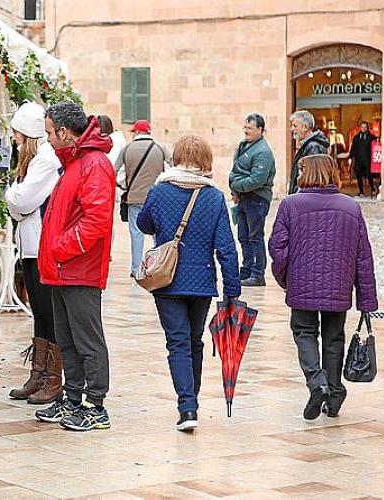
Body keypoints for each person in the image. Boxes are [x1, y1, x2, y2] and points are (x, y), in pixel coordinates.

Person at [137, 135, 240, 432]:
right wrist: (232, 288)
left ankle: (187, 406)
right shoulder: (214, 196)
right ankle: (190, 401)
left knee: (178, 342)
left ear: (177, 157)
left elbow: (144, 223)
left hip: (167, 280)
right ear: (205, 161)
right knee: (194, 341)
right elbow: (226, 246)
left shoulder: (160, 191)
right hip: (202, 283)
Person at [269, 154, 378, 420]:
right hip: (338, 287)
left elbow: (277, 248)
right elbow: (363, 255)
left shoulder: (290, 205)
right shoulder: (351, 207)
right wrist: (367, 300)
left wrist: (285, 278)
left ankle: (317, 382)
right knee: (334, 338)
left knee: (304, 332)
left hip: (302, 285)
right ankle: (335, 392)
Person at [35, 101, 116, 431]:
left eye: (51, 133)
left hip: (78, 268)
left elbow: (96, 221)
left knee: (87, 340)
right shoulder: (75, 163)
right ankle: (72, 398)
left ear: (65, 132)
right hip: (63, 268)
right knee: (67, 339)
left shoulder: (92, 165)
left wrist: (59, 248)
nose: (49, 139)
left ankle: (95, 404)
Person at [5, 102, 63, 404]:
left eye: (16, 134)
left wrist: (11, 197)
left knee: (46, 311)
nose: (14, 140)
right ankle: (38, 374)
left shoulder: (44, 161)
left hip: (42, 246)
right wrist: (14, 199)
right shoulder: (33, 162)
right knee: (38, 312)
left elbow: (22, 200)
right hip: (30, 245)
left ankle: (52, 380)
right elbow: (19, 202)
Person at [114, 120, 170, 277]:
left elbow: (114, 171)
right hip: (157, 198)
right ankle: (159, 266)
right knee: (157, 232)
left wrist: (123, 185)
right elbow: (173, 165)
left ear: (136, 133)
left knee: (136, 232)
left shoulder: (127, 149)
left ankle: (136, 269)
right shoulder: (160, 148)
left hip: (135, 197)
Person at [228, 113, 276, 287]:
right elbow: (235, 170)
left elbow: (257, 179)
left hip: (257, 199)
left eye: (250, 128)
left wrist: (235, 184)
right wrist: (234, 187)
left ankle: (258, 274)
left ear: (260, 130)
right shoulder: (243, 146)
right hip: (242, 198)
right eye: (245, 127)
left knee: (255, 237)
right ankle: (246, 270)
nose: (246, 131)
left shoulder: (263, 152)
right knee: (243, 236)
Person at [288, 110, 329, 195]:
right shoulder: (308, 146)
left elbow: (311, 179)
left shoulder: (312, 147)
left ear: (305, 127)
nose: (292, 129)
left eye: (295, 126)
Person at [348, 121, 377, 197]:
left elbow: (375, 147)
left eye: (365, 127)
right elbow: (353, 148)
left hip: (367, 160)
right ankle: (361, 191)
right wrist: (350, 157)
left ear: (367, 128)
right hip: (358, 160)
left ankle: (372, 187)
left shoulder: (372, 138)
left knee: (368, 174)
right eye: (362, 127)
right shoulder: (356, 138)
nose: (363, 128)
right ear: (360, 128)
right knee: (359, 176)